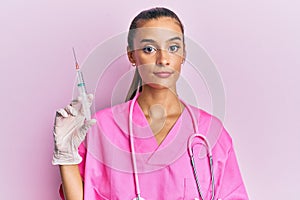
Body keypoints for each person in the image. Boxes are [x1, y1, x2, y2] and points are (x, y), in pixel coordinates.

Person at [52, 7, 249, 200]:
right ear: (132, 55)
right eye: (149, 49)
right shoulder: (100, 128)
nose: (163, 59)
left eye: (173, 48)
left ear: (183, 55)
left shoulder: (210, 132)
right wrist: (66, 158)